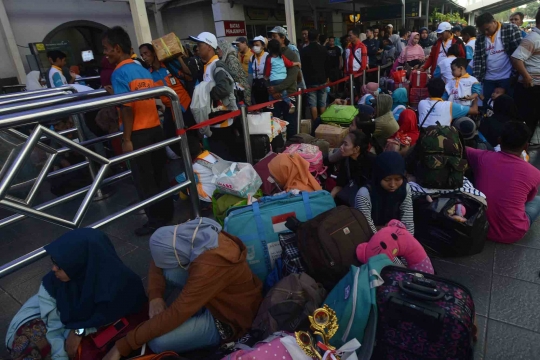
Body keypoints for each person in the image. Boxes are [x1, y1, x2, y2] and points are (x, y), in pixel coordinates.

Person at [103, 219, 263, 359]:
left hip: (228, 317)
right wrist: (155, 296)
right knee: (167, 269)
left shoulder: (207, 267)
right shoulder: (192, 231)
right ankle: (180, 316)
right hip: (216, 295)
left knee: (158, 342)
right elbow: (157, 257)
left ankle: (209, 328)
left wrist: (122, 346)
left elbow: (176, 314)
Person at [6, 229, 146, 360]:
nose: (53, 269)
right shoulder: (52, 284)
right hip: (40, 319)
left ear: (81, 264)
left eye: (60, 265)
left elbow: (118, 310)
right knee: (30, 348)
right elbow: (54, 328)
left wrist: (80, 330)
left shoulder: (122, 281)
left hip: (84, 329)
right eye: (53, 261)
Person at [104, 26, 174, 236]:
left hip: (137, 133)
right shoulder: (142, 69)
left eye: (106, 49)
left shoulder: (119, 72)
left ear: (117, 48)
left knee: (144, 180)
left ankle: (154, 221)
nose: (105, 54)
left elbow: (127, 107)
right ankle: (167, 214)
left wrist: (126, 139)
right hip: (154, 129)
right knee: (160, 174)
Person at [466, 121, 540, 243]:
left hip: (479, 227)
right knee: (537, 200)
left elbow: (464, 148)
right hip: (513, 233)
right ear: (526, 146)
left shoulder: (482, 157)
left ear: (499, 140)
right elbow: (528, 199)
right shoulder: (535, 173)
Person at [189, 31, 241, 161]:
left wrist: (205, 96)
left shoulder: (217, 65)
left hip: (222, 123)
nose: (197, 48)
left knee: (225, 157)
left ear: (209, 46)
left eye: (200, 45)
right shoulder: (207, 66)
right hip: (215, 122)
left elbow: (224, 88)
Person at [138, 43, 195, 148]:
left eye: (146, 53)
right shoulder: (148, 74)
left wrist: (179, 58)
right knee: (169, 136)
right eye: (142, 55)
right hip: (171, 110)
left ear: (154, 53)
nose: (144, 57)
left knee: (194, 134)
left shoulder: (170, 65)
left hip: (187, 105)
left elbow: (189, 77)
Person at [355, 151, 414, 234]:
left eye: (398, 179)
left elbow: (408, 222)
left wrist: (407, 243)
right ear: (378, 177)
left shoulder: (404, 189)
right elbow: (367, 228)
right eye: (387, 180)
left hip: (396, 235)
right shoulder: (365, 194)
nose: (393, 185)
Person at [473, 12, 522, 101]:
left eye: (487, 29)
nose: (486, 32)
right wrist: (477, 80)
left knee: (508, 106)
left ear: (494, 22)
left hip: (507, 78)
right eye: (482, 31)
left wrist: (515, 76)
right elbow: (477, 59)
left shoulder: (510, 29)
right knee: (488, 107)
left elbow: (518, 53)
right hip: (488, 79)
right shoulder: (480, 38)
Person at [511, 8, 540, 139]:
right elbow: (516, 58)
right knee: (528, 121)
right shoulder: (533, 38)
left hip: (535, 87)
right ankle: (522, 152)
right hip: (531, 88)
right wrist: (528, 77)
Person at [267, 26, 301, 129]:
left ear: (283, 38)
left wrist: (277, 89)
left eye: (274, 36)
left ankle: (293, 143)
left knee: (290, 123)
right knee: (275, 125)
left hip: (289, 93)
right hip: (274, 94)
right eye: (271, 37)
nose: (272, 39)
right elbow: (267, 74)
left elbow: (292, 77)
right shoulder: (270, 55)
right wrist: (272, 89)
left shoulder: (291, 54)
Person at [331, 130, 375, 200]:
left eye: (345, 144)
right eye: (342, 144)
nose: (341, 147)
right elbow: (340, 185)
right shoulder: (346, 161)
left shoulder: (372, 161)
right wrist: (329, 199)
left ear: (356, 149)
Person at [300, 28, 330, 119]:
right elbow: (327, 65)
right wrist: (327, 77)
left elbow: (303, 67)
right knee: (322, 103)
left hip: (310, 80)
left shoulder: (304, 50)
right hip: (322, 79)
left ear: (308, 37)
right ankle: (323, 121)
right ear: (318, 37)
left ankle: (315, 123)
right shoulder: (323, 49)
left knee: (312, 104)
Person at [265, 39, 301, 113]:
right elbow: (289, 64)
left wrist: (266, 76)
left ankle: (271, 104)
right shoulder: (282, 57)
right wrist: (297, 63)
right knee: (284, 92)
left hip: (273, 79)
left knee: (272, 93)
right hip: (282, 78)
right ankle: (289, 103)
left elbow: (267, 71)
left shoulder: (269, 59)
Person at [217, 39, 251, 105]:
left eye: (219, 48)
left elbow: (236, 76)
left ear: (224, 47)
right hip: (238, 90)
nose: (218, 51)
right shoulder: (226, 58)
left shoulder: (231, 58)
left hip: (242, 91)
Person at [248, 35, 269, 105]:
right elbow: (250, 73)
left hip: (266, 85)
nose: (255, 47)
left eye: (257, 45)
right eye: (254, 45)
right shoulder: (252, 58)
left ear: (263, 46)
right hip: (256, 85)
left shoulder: (267, 56)